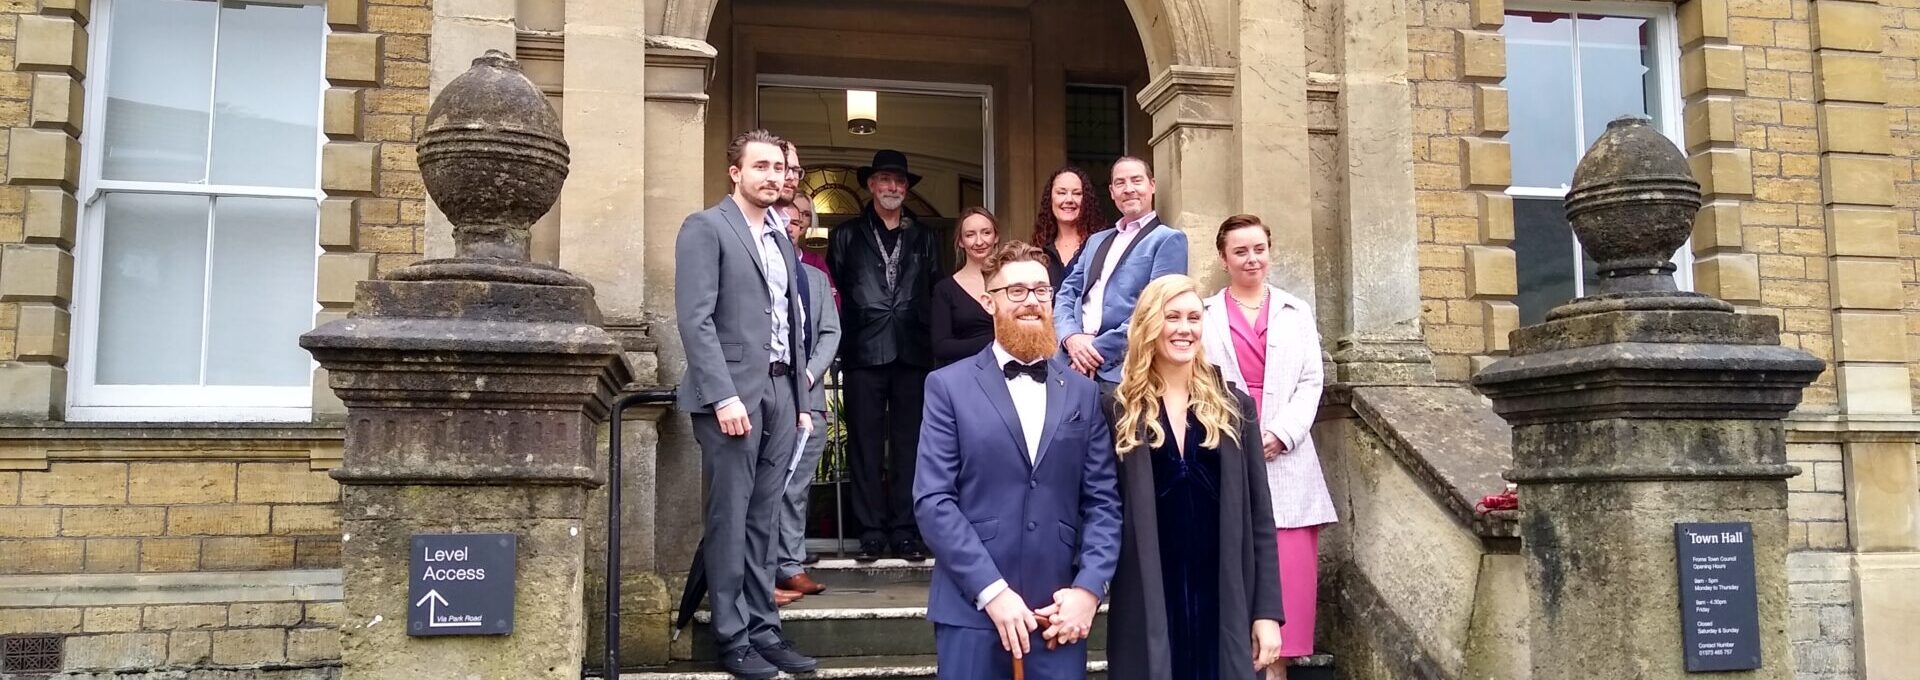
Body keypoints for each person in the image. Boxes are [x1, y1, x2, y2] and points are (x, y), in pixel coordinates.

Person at [915, 240, 1122, 680]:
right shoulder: (946, 387)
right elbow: (933, 501)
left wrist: (1088, 590)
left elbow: (1103, 503)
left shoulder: (1084, 392)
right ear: (990, 302)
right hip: (971, 611)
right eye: (1016, 291)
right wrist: (992, 592)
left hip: (1058, 614)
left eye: (1041, 290)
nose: (1031, 301)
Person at [673, 129, 818, 679]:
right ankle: (731, 638)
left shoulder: (782, 239)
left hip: (783, 393)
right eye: (760, 166)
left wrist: (802, 398)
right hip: (731, 398)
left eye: (779, 168)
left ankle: (764, 630)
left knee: (764, 520)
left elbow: (793, 321)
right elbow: (695, 319)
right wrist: (723, 396)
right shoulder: (705, 228)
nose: (772, 176)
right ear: (735, 172)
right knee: (730, 520)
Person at [1106, 274, 1284, 680]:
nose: (1185, 328)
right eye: (1172, 317)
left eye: (1193, 317)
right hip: (1149, 597)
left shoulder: (1233, 406)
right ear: (1150, 324)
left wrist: (1267, 612)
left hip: (1224, 598)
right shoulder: (1117, 411)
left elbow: (1261, 515)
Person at [1201, 215, 1334, 678]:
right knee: (1232, 575)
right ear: (1223, 258)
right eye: (1240, 251)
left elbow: (1312, 381)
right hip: (1224, 452)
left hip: (1289, 461)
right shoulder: (1203, 314)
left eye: (1259, 248)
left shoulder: (1296, 311)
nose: (1252, 258)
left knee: (1288, 595)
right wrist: (1230, 435)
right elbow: (1196, 382)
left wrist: (1282, 433)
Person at [827, 149, 940, 562]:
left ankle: (906, 530)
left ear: (905, 188)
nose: (892, 187)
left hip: (912, 351)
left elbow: (932, 288)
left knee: (911, 446)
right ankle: (871, 531)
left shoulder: (925, 236)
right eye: (885, 180)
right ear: (871, 185)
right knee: (865, 446)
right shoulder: (845, 234)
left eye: (899, 181)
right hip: (863, 350)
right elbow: (835, 292)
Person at [1054, 156, 1188, 389]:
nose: (1129, 189)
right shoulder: (1097, 240)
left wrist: (1094, 350)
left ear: (1152, 185)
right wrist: (1071, 338)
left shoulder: (1168, 240)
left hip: (1121, 371)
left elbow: (1156, 308)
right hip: (1069, 362)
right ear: (1112, 191)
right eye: (1120, 183)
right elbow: (1067, 292)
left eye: (1136, 180)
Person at [772, 188, 843, 605]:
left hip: (810, 398)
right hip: (766, 394)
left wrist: (811, 373)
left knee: (797, 486)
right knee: (766, 486)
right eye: (786, 212)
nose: (793, 219)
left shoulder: (817, 279)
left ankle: (791, 563)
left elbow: (831, 332)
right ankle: (767, 570)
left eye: (800, 215)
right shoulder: (761, 270)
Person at [931, 207, 1000, 367]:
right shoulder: (945, 289)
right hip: (965, 373)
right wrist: (997, 340)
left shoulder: (1013, 280)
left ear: (996, 237)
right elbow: (941, 347)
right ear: (961, 241)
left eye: (986, 232)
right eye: (970, 235)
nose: (979, 241)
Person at [1033, 166, 1105, 288]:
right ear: (1050, 199)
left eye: (1077, 193)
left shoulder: (1101, 245)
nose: (1069, 199)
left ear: (1086, 200)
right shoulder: (1039, 250)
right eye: (1061, 193)